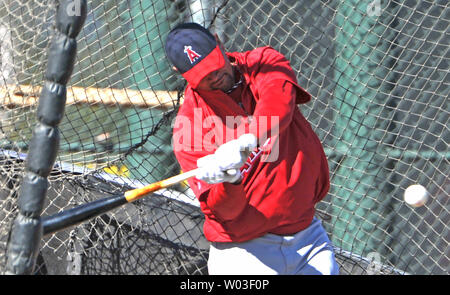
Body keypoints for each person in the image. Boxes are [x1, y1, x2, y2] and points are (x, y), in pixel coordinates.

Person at [165, 22, 339, 275]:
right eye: (201, 73)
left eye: (213, 64)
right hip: (244, 253)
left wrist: (246, 140)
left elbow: (278, 105)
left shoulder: (262, 62)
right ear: (178, 72)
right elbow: (225, 212)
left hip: (308, 237)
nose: (213, 76)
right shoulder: (189, 126)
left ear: (219, 42)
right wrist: (230, 180)